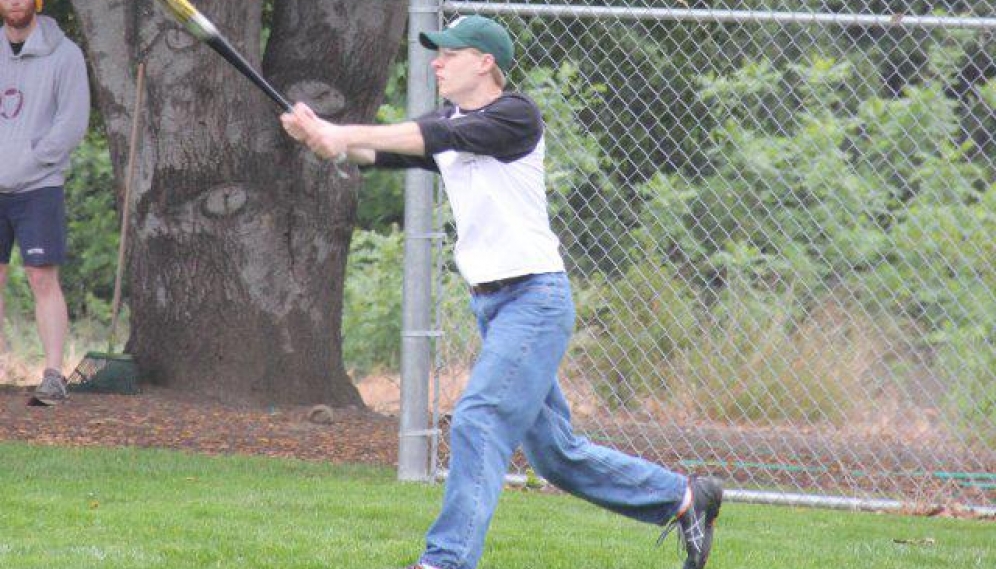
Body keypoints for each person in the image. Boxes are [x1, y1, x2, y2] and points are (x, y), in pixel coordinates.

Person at [281, 15, 722, 569]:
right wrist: (325, 139)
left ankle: (445, 560)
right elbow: (385, 152)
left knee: (477, 419)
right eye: (435, 54)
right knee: (556, 456)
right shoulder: (448, 120)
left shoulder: (514, 116)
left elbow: (431, 137)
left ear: (485, 62)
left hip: (534, 300)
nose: (436, 63)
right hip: (495, 306)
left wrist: (342, 132)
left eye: (450, 53)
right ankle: (685, 499)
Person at [0, 0, 89, 404]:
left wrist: (34, 159)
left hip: (39, 185)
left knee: (41, 277)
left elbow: (72, 121)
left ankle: (53, 376)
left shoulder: (65, 55)